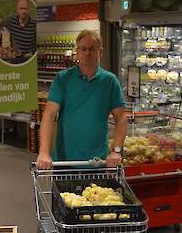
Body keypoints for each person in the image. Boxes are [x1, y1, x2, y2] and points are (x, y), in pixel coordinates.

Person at [36, 30, 127, 169]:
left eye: (92, 49)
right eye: (83, 48)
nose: (87, 53)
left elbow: (121, 118)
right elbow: (49, 115)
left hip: (98, 161)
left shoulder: (109, 81)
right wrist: (43, 152)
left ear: (100, 52)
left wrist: (116, 151)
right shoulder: (62, 79)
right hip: (64, 160)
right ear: (77, 52)